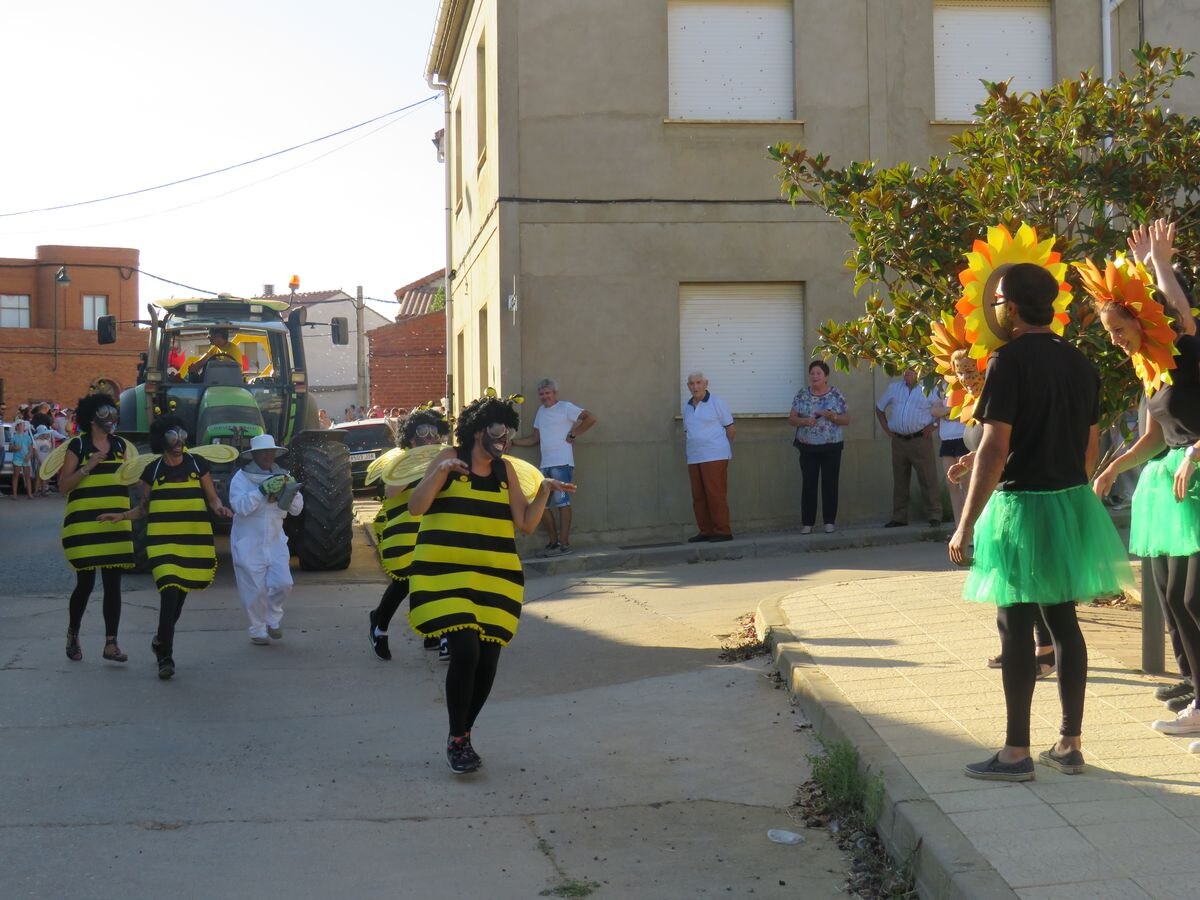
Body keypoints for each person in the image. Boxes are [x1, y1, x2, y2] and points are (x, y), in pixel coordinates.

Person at [950, 262, 1133, 781]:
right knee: (1065, 623)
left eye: (999, 299)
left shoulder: (1007, 362)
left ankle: (1015, 753)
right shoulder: (1080, 364)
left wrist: (966, 523)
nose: (996, 308)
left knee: (1014, 625)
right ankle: (1070, 744)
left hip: (1021, 505)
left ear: (1011, 304)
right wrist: (1066, 492)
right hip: (1067, 501)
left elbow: (995, 446)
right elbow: (1090, 445)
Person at [406, 394, 574, 774]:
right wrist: (439, 473)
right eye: (499, 431)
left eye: (509, 432)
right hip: (445, 573)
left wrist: (545, 490)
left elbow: (526, 524)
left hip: (495, 577)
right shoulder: (448, 460)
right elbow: (417, 507)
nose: (506, 439)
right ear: (479, 431)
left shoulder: (506, 472)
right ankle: (457, 738)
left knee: (487, 662)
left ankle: (463, 734)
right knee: (465, 651)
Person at [1093, 219, 1200, 735]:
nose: (1114, 340)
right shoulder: (1152, 365)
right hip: (1178, 481)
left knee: (1190, 598)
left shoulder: (1186, 351)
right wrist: (1115, 466)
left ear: (1142, 319)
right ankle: (1197, 700)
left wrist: (1158, 263)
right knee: (1175, 598)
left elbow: (1179, 314)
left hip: (1196, 478)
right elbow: (1159, 435)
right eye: (1109, 332)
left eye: (1118, 329)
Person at [101, 415, 232, 679]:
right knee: (169, 592)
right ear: (162, 441)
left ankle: (160, 639)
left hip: (191, 540)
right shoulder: (153, 470)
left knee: (178, 602)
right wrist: (122, 516)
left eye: (182, 436)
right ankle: (166, 658)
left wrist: (221, 509)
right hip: (162, 541)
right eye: (173, 437)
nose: (178, 442)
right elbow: (144, 509)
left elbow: (213, 499)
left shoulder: (198, 464)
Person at [57, 394, 135, 664]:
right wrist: (88, 466)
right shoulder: (77, 445)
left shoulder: (121, 445)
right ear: (92, 418)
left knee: (113, 584)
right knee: (86, 583)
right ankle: (73, 634)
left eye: (113, 413)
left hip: (114, 523)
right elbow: (64, 486)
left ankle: (111, 644)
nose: (111, 418)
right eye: (105, 413)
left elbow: (128, 478)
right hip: (84, 525)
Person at [367, 408, 450, 661]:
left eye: (434, 433)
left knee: (439, 580)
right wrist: (418, 465)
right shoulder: (401, 460)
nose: (428, 438)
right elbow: (392, 492)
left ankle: (439, 635)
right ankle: (378, 624)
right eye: (422, 434)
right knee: (403, 584)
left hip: (433, 530)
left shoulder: (442, 458)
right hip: (405, 532)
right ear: (410, 438)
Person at [229, 434, 303, 646]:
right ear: (254, 455)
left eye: (270, 452)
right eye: (263, 453)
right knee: (254, 590)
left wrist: (289, 493)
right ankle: (258, 630)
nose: (267, 456)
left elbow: (297, 510)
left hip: (276, 540)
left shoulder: (284, 475)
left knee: (284, 583)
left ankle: (272, 618)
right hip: (248, 541)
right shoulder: (241, 479)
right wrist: (261, 491)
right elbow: (240, 507)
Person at [511, 378, 597, 554]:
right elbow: (535, 439)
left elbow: (591, 418)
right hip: (545, 465)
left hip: (562, 463)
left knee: (562, 503)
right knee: (542, 506)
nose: (545, 397)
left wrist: (574, 433)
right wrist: (513, 443)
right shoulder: (540, 412)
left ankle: (565, 544)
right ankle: (553, 541)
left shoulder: (565, 407)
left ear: (554, 393)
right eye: (541, 394)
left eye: (548, 393)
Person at [875, 368, 942, 528]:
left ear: (919, 372)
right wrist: (886, 429)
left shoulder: (929, 389)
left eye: (911, 371)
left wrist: (933, 426)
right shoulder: (894, 388)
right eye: (905, 371)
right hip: (898, 441)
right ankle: (899, 517)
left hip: (920, 439)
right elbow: (879, 408)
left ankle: (934, 515)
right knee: (900, 480)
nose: (906, 374)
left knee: (928, 477)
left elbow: (942, 410)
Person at [788, 360, 848, 534]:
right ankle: (808, 523)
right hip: (808, 447)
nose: (815, 376)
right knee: (809, 484)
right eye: (812, 373)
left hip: (831, 446)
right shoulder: (802, 395)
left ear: (826, 377)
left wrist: (832, 416)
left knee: (830, 484)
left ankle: (829, 521)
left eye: (818, 373)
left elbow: (847, 419)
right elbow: (791, 419)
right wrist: (804, 421)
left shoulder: (836, 394)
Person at [682, 372, 735, 542]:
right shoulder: (687, 406)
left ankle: (723, 531)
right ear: (688, 386)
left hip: (715, 455)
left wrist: (723, 449)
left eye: (698, 383)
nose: (695, 386)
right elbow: (687, 431)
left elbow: (730, 429)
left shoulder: (717, 402)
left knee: (715, 494)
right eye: (691, 383)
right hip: (694, 457)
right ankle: (706, 531)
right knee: (698, 496)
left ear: (706, 384)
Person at [9, 419, 35, 499]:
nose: (22, 426)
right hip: (17, 458)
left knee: (27, 476)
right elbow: (10, 448)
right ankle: (14, 494)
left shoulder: (28, 437)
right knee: (16, 476)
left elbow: (31, 449)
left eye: (23, 425)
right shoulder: (14, 437)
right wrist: (15, 448)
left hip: (26, 458)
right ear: (17, 427)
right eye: (20, 425)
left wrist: (29, 456)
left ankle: (30, 494)